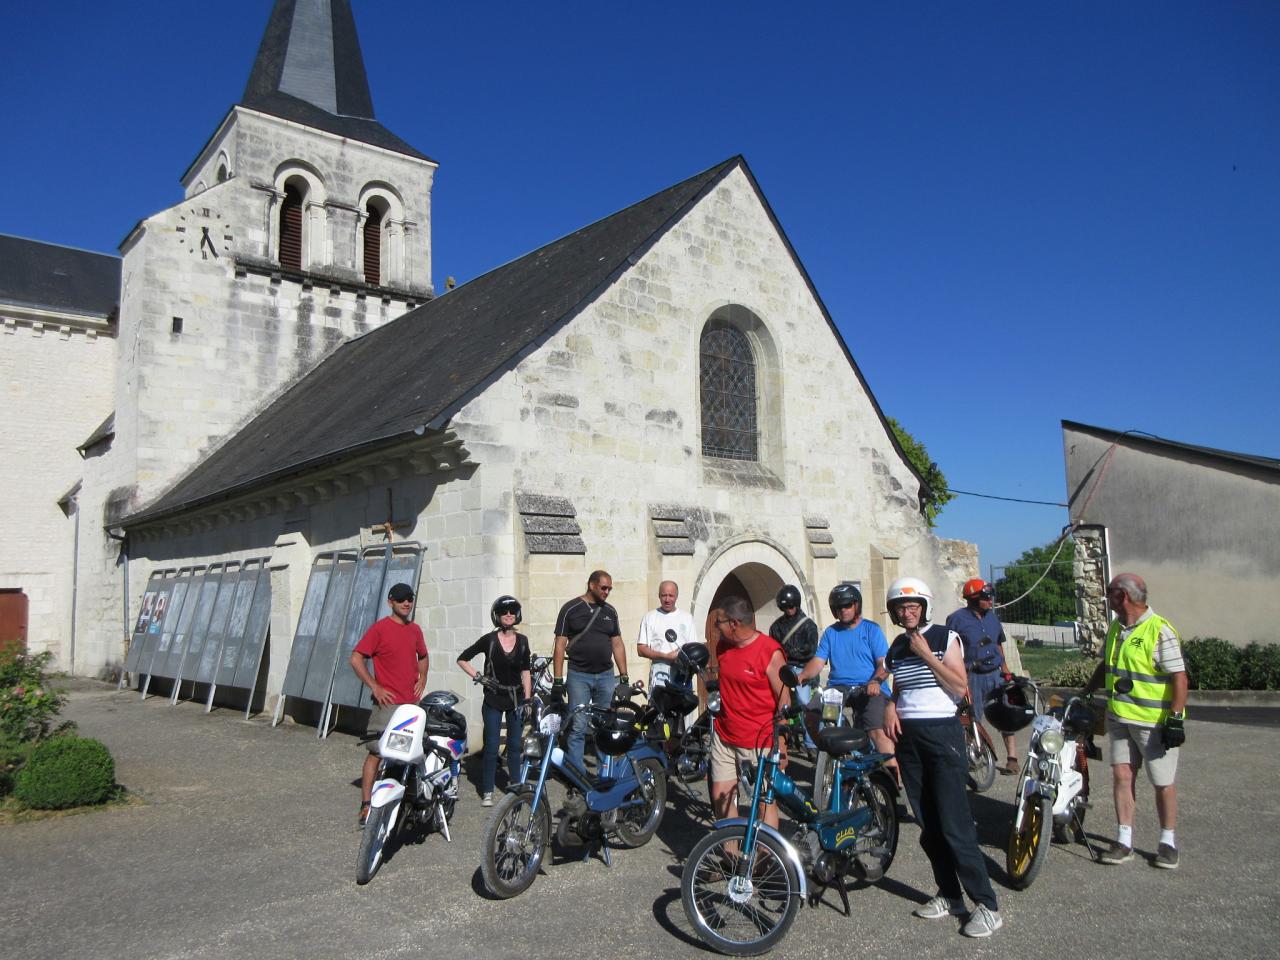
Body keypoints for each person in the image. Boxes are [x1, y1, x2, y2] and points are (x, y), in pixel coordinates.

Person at [882, 576, 1002, 939]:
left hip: (942, 734)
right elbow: (900, 683)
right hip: (910, 739)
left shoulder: (944, 637)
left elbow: (958, 685)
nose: (907, 612)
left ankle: (987, 904)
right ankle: (949, 895)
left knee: (954, 822)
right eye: (901, 608)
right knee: (927, 824)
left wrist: (924, 655)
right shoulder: (897, 646)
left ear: (925, 607)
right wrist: (891, 704)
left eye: (913, 606)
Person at [1082, 573, 1187, 869]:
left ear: (1123, 596)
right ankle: (1123, 839)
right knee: (1122, 776)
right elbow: (1107, 665)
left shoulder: (1159, 630)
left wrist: (1175, 719)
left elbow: (1179, 677)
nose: (1106, 596)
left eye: (1110, 591)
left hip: (1152, 722)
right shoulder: (1117, 627)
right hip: (1120, 718)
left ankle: (1168, 843)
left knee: (1162, 782)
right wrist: (1086, 692)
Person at [798, 583, 898, 783]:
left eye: (847, 605)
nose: (843, 610)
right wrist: (800, 677)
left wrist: (875, 681)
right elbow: (818, 662)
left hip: (869, 687)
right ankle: (828, 755)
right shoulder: (831, 633)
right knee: (811, 714)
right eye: (839, 607)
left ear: (856, 605)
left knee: (877, 731)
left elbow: (883, 663)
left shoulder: (872, 630)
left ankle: (893, 783)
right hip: (838, 689)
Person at [349, 583, 428, 827]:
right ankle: (366, 805)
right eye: (401, 599)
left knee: (413, 753)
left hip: (411, 704)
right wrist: (375, 686)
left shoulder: (415, 630)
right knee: (377, 752)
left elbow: (423, 656)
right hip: (388, 705)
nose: (407, 603)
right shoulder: (380, 629)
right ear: (390, 602)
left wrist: (422, 678)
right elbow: (356, 658)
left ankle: (406, 803)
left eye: (410, 599)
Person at [710, 595, 788, 829]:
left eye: (719, 622)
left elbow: (784, 698)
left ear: (734, 623)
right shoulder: (723, 646)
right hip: (724, 735)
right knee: (720, 797)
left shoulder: (770, 652)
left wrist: (782, 742)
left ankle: (765, 862)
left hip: (758, 740)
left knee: (764, 804)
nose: (717, 628)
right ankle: (733, 861)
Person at [457, 596, 532, 807]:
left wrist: (528, 698)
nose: (508, 614)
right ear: (497, 616)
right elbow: (463, 658)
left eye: (512, 611)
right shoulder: (489, 640)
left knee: (515, 745)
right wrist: (479, 677)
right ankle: (488, 789)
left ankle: (515, 786)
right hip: (493, 697)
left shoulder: (523, 641)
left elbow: (526, 671)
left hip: (516, 698)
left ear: (517, 614)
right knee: (491, 746)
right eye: (504, 611)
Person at [551, 570, 628, 772]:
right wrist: (558, 681)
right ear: (591, 585)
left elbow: (617, 643)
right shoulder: (570, 609)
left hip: (605, 676)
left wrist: (624, 676)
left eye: (610, 588)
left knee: (604, 725)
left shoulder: (610, 611)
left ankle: (605, 772)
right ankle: (577, 775)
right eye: (604, 587)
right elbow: (559, 645)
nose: (607, 592)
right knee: (578, 725)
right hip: (579, 675)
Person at [945, 578, 1018, 774]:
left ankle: (1012, 758)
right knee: (972, 717)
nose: (990, 601)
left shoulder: (992, 618)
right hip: (972, 675)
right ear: (973, 598)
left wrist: (1005, 667)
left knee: (1005, 712)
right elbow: (952, 648)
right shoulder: (956, 619)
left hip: (995, 673)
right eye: (986, 597)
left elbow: (998, 644)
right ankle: (975, 754)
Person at [768, 584, 819, 716]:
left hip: (802, 670)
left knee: (805, 704)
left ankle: (810, 736)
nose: (788, 610)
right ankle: (781, 732)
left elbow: (810, 650)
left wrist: (788, 652)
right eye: (785, 607)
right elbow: (771, 648)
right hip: (783, 669)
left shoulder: (808, 625)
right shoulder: (776, 626)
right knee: (778, 702)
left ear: (797, 604)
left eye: (791, 606)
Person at [636, 580, 696, 689]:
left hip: (681, 673)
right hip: (659, 672)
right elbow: (641, 649)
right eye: (664, 595)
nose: (667, 599)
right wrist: (666, 656)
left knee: (681, 706)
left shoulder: (687, 618)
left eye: (671, 595)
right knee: (659, 705)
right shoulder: (650, 617)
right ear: (659, 596)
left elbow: (693, 647)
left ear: (676, 596)